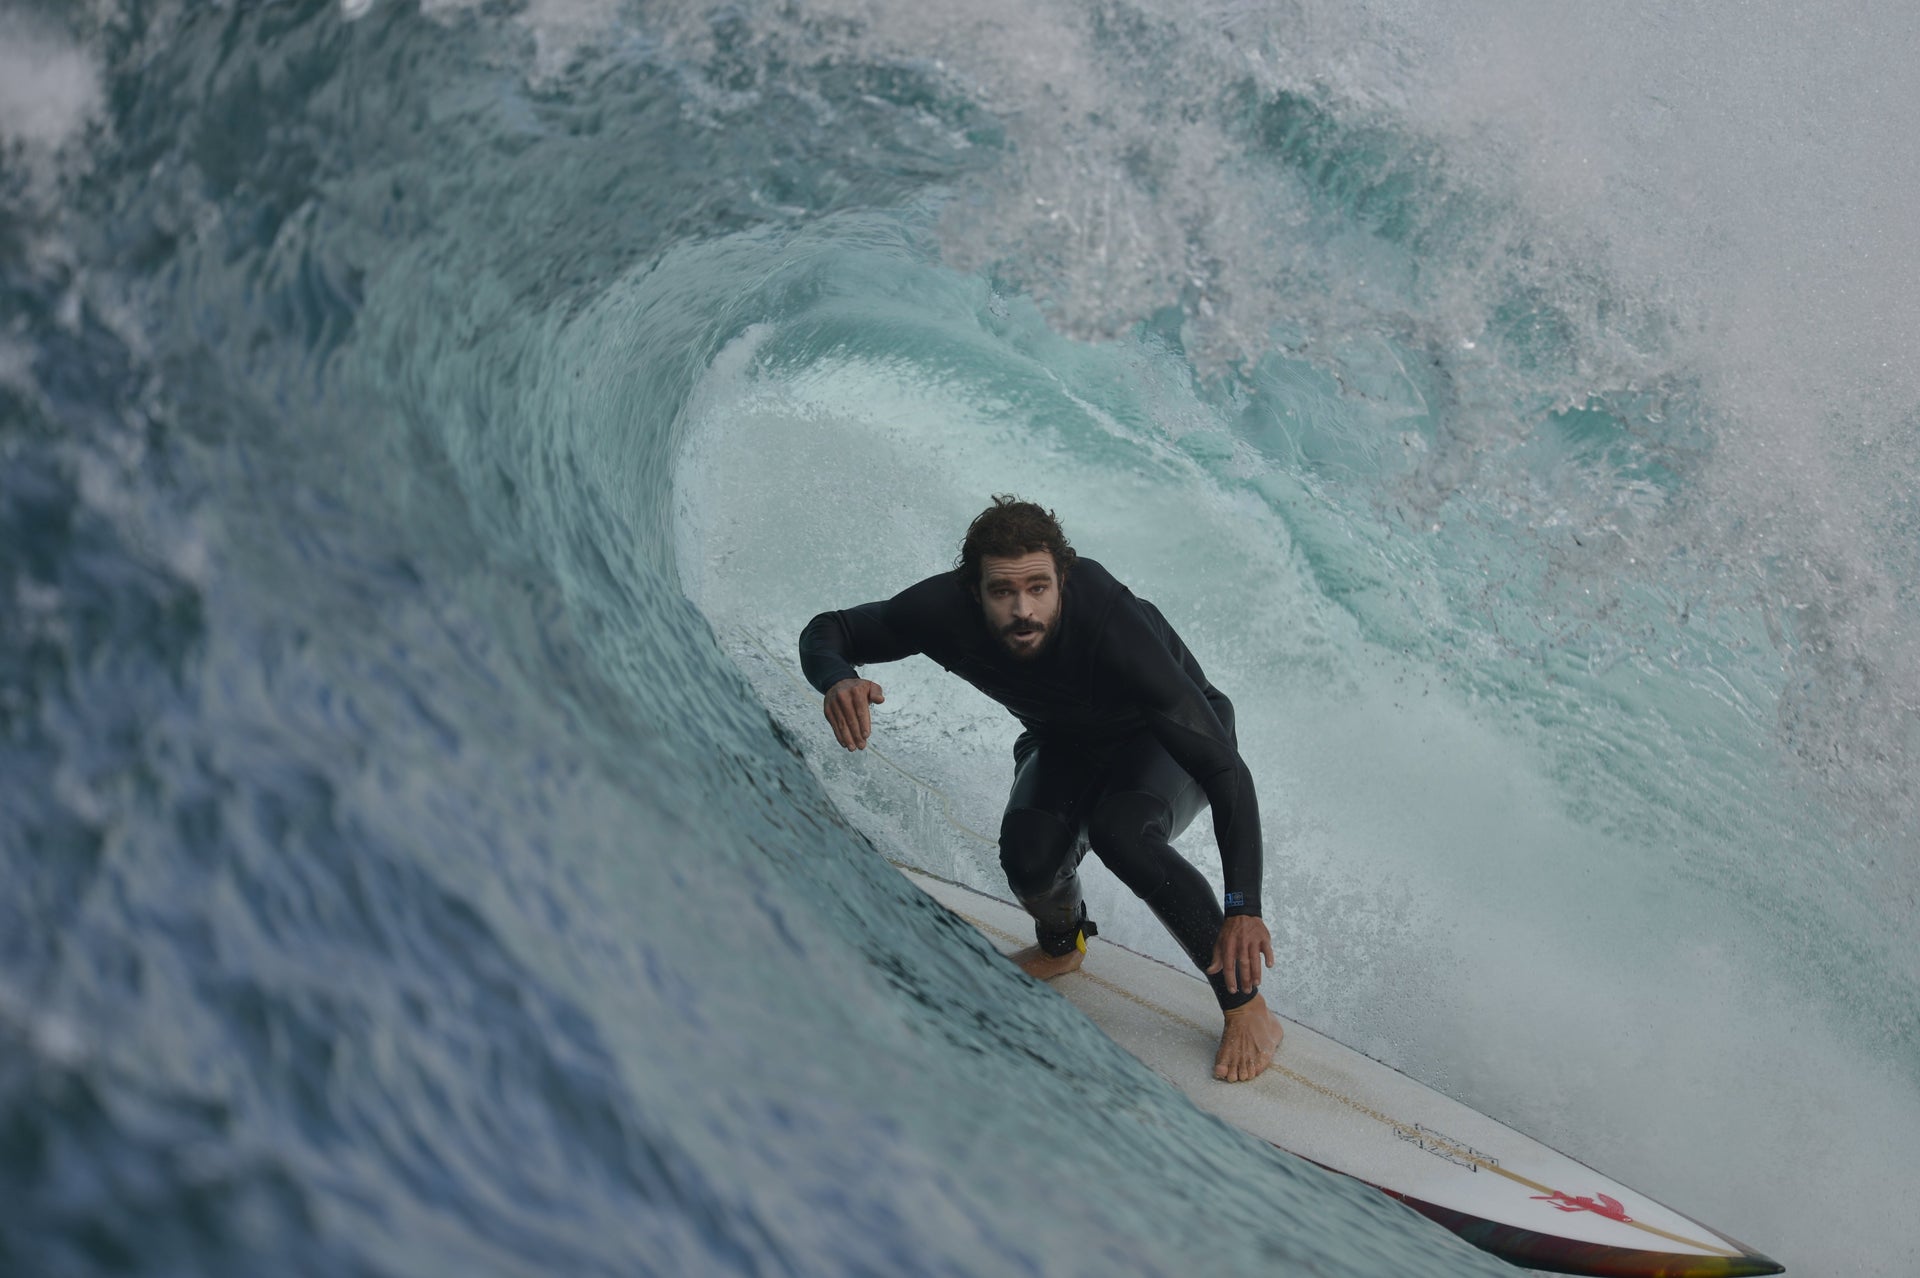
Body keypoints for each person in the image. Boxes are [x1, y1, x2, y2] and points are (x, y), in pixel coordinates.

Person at [798, 496, 1283, 1082]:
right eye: (1002, 591)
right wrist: (838, 678)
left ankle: (1245, 1005)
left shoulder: (1110, 621)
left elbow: (1225, 769)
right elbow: (833, 630)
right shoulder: (940, 611)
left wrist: (1244, 906)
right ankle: (1064, 944)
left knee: (1120, 834)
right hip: (1066, 739)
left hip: (1166, 741)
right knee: (1029, 858)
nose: (1023, 609)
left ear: (1063, 580)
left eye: (1039, 588)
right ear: (973, 590)